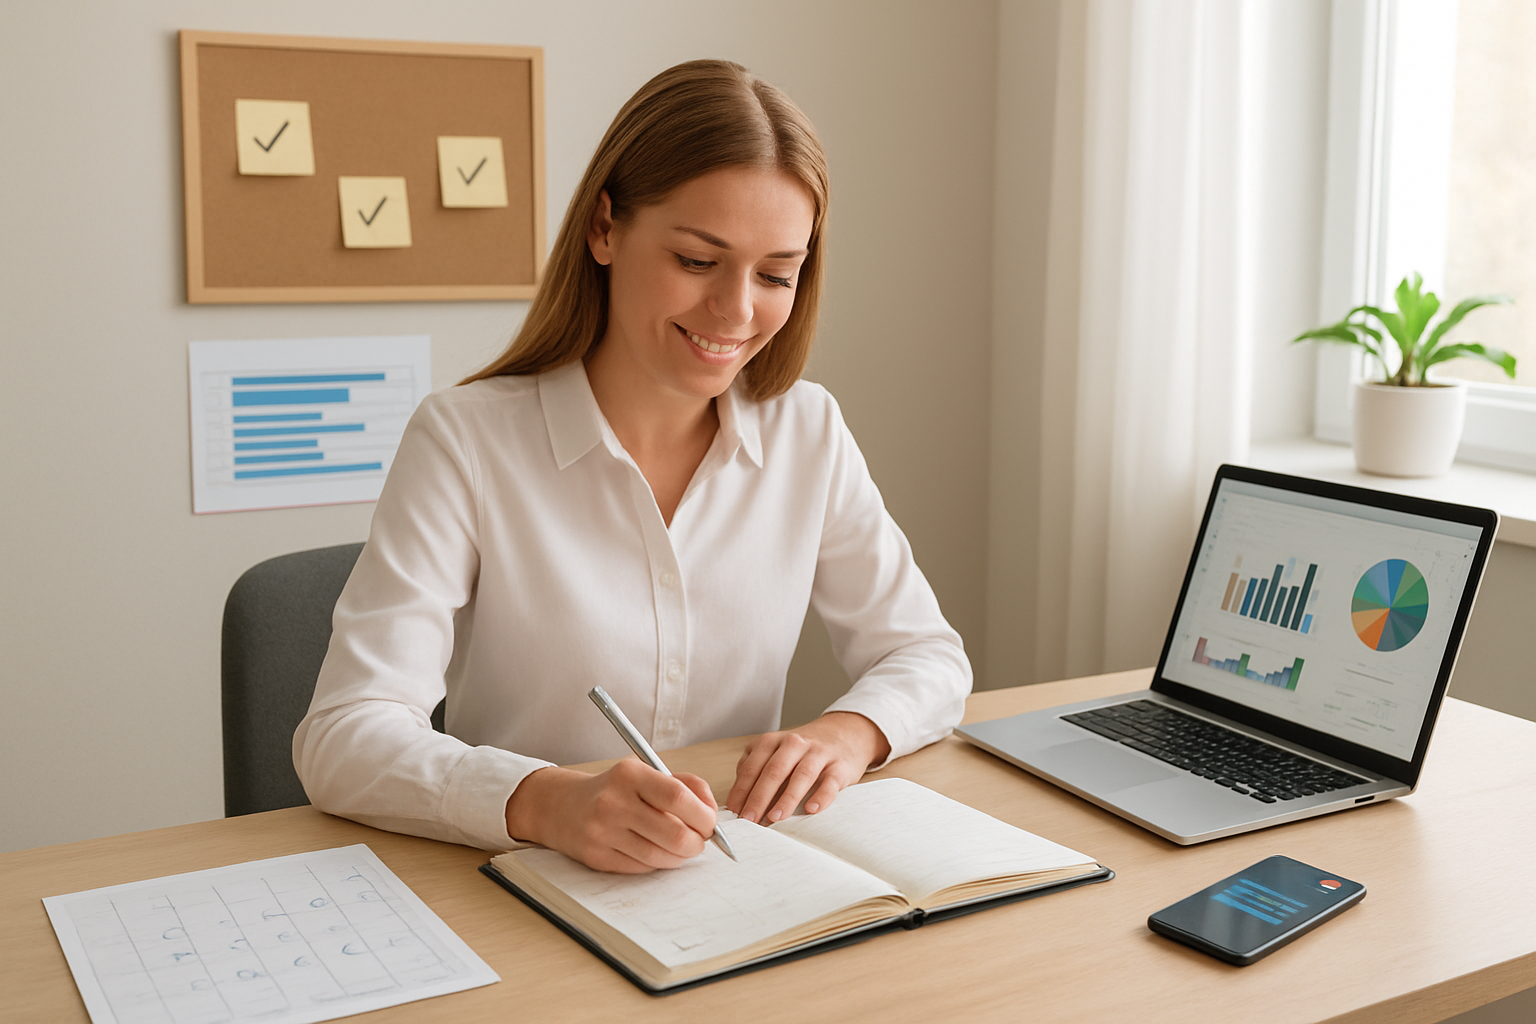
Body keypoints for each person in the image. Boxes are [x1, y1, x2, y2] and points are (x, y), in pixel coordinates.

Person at [293, 59, 971, 873]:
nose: (736, 310)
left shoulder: (807, 431)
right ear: (605, 228)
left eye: (776, 274)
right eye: (696, 261)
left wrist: (850, 733)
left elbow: (928, 657)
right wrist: (545, 800)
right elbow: (343, 734)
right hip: (529, 887)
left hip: (733, 879)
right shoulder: (465, 440)